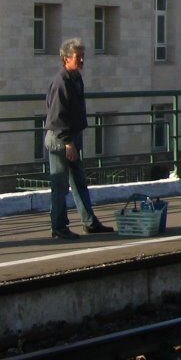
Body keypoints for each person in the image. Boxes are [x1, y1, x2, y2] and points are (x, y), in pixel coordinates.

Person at [44, 38, 113, 240]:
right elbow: (56, 117)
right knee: (60, 184)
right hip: (60, 139)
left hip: (71, 136)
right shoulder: (61, 82)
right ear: (66, 58)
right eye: (78, 56)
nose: (82, 60)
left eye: (83, 56)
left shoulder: (75, 78)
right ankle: (58, 227)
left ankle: (89, 222)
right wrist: (68, 143)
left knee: (79, 181)